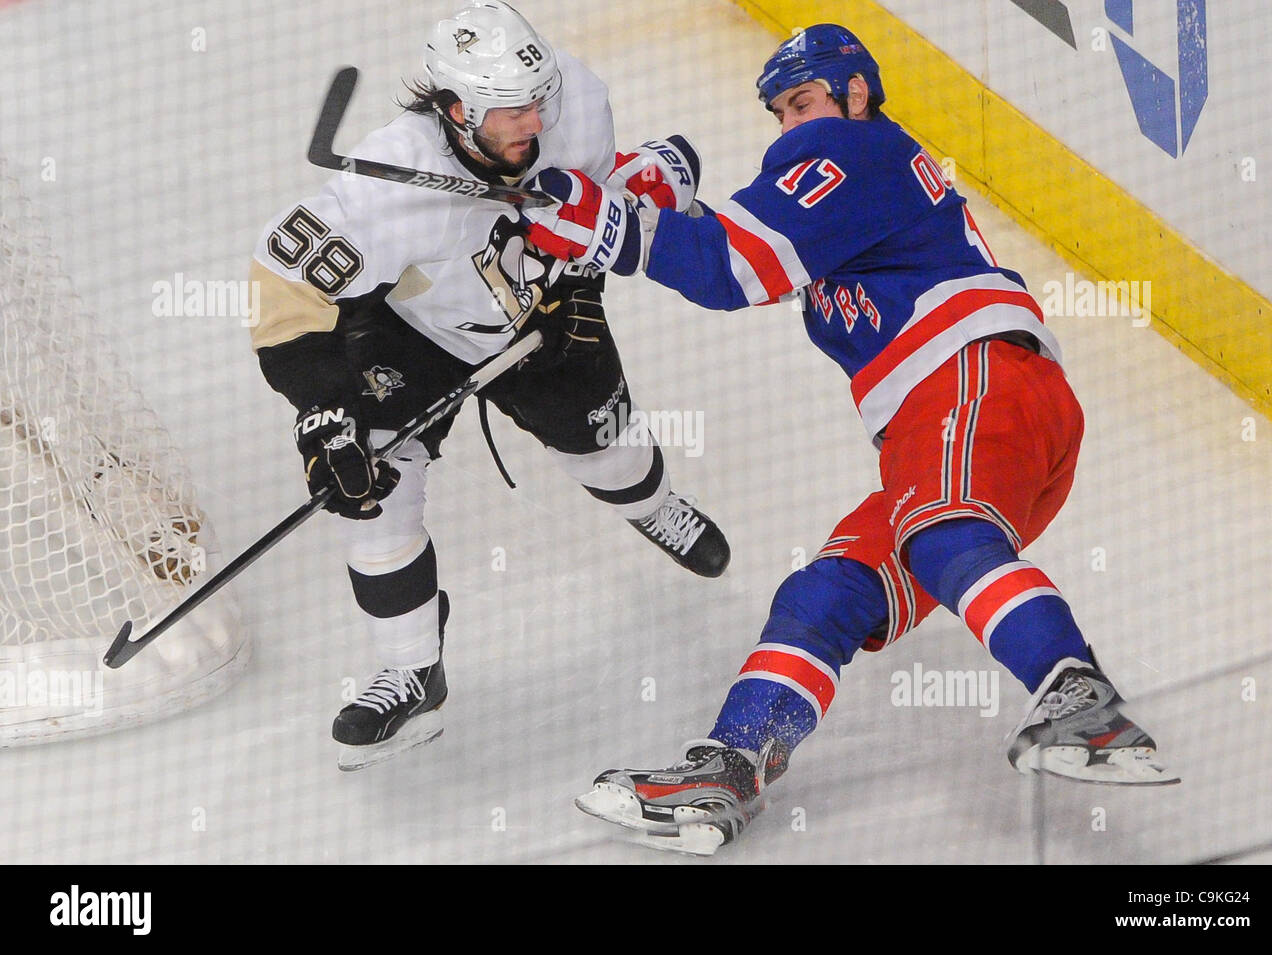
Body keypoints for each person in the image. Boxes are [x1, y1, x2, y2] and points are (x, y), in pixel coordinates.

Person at [522, 23, 1178, 854]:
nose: (793, 124)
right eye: (780, 112)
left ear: (855, 92)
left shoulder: (851, 147)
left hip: (972, 385)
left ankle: (1083, 704)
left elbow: (735, 270)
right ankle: (731, 769)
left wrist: (602, 218)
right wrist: (653, 209)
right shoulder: (853, 182)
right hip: (973, 429)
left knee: (940, 531)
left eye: (802, 101)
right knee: (827, 592)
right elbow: (736, 248)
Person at [249, 0, 728, 771]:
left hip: (542, 313)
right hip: (417, 329)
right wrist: (324, 410)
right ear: (454, 108)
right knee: (367, 484)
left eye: (536, 102)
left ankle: (654, 506)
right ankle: (412, 668)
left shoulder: (579, 99)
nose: (532, 125)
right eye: (508, 113)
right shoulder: (386, 187)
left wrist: (583, 286)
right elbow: (284, 289)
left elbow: (597, 212)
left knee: (609, 456)